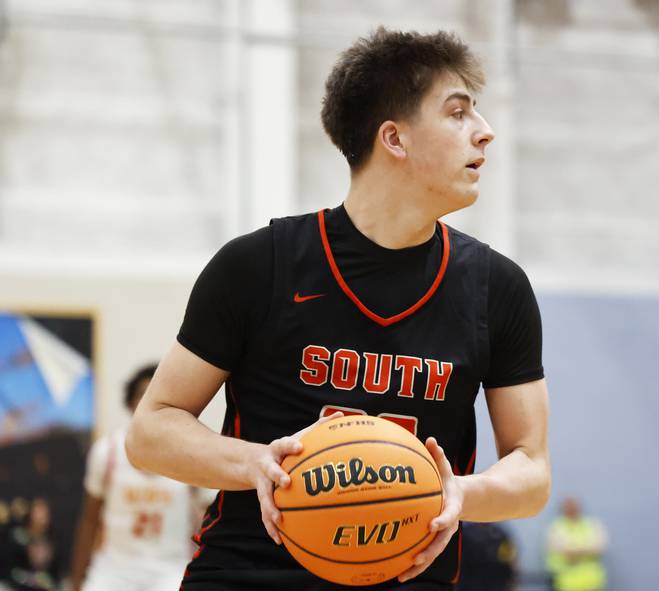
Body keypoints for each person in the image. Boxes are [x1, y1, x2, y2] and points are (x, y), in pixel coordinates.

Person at [126, 26, 551, 591]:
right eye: (457, 114)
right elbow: (150, 431)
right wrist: (254, 463)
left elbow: (532, 468)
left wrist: (460, 492)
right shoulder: (260, 265)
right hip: (249, 575)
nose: (485, 133)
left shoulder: (497, 287)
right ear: (394, 139)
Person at [70, 364, 202, 591]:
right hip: (114, 569)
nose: (149, 402)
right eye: (143, 394)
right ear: (131, 403)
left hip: (171, 569)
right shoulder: (107, 451)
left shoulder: (189, 451)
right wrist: (76, 581)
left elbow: (209, 515)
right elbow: (90, 519)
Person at [545, 497, 608, 591]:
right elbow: (565, 553)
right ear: (562, 509)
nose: (572, 509)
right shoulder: (556, 527)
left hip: (592, 582)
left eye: (574, 506)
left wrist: (574, 550)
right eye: (568, 506)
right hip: (566, 583)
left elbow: (599, 548)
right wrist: (587, 550)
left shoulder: (592, 524)